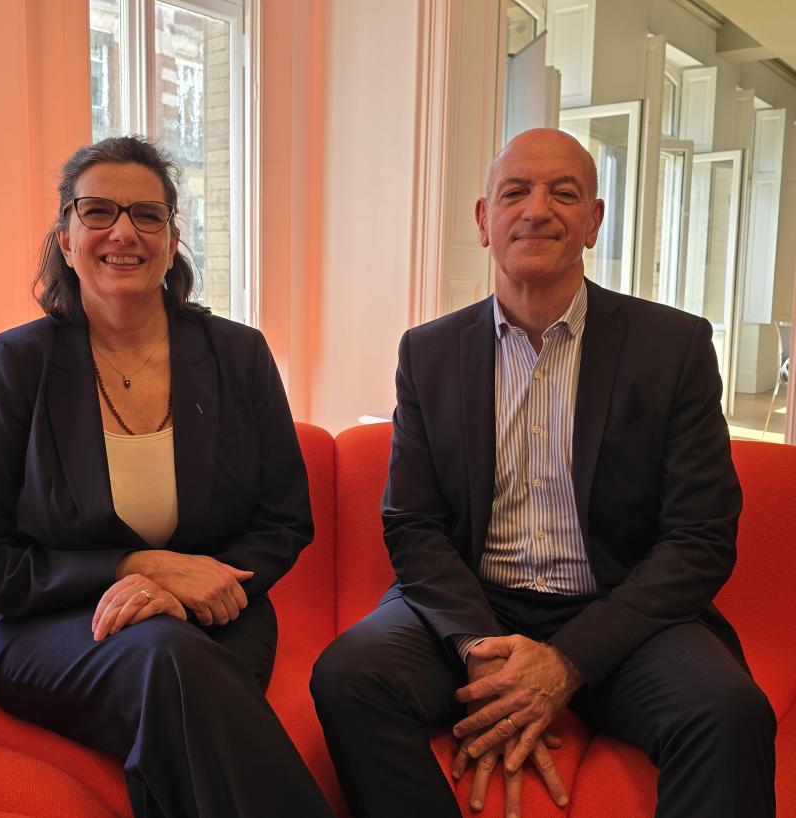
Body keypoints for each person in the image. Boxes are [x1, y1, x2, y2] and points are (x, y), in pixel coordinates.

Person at [311, 128, 776, 818]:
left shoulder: (671, 347)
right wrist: (480, 651)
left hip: (619, 614)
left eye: (564, 193)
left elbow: (700, 538)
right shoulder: (429, 353)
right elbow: (413, 523)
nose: (537, 210)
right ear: (483, 219)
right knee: (350, 677)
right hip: (474, 607)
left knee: (727, 711)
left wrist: (565, 662)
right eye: (515, 192)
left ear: (593, 221)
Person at [0, 135, 334, 818]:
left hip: (218, 613)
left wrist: (189, 592)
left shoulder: (238, 355)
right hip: (47, 628)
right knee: (167, 663)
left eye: (146, 215)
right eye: (97, 212)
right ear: (65, 238)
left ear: (170, 238)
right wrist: (143, 565)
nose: (123, 232)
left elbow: (284, 519)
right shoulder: (15, 365)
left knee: (172, 677)